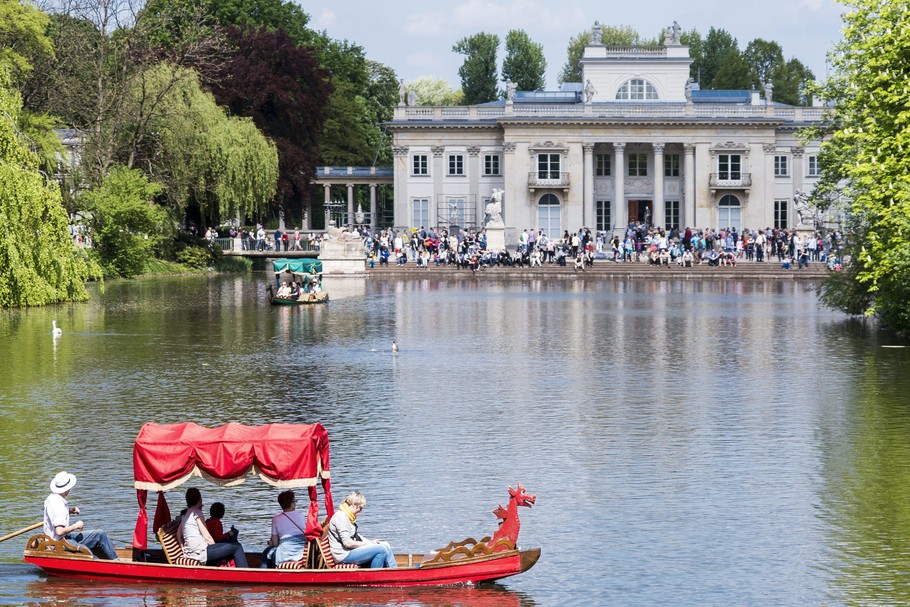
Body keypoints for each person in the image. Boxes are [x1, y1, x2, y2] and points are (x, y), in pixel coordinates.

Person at [43, 471, 117, 560]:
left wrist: (69, 510)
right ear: (67, 488)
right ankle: (112, 565)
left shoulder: (52, 498)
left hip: (59, 539)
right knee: (86, 552)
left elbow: (55, 514)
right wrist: (76, 526)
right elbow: (59, 531)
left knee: (100, 534)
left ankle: (116, 560)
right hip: (58, 543)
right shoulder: (59, 505)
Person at [177, 487, 248, 568]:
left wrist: (183, 549)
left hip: (191, 552)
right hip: (201, 553)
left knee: (230, 545)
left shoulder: (185, 514)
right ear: (200, 500)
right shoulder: (196, 512)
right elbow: (207, 537)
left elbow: (178, 535)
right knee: (237, 546)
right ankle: (246, 574)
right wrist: (218, 553)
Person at [328, 491, 397, 569]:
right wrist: (369, 544)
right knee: (382, 549)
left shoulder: (348, 516)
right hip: (343, 555)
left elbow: (355, 535)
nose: (361, 511)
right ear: (354, 505)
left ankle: (394, 570)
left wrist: (371, 542)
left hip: (349, 551)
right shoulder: (341, 517)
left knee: (385, 544)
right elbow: (347, 543)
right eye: (360, 508)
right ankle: (375, 576)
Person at [268, 490, 309, 566]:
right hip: (301, 552)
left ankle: (264, 574)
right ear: (291, 504)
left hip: (284, 554)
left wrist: (271, 544)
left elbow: (275, 543)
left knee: (267, 553)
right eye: (295, 501)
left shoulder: (276, 519)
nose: (295, 503)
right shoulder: (301, 515)